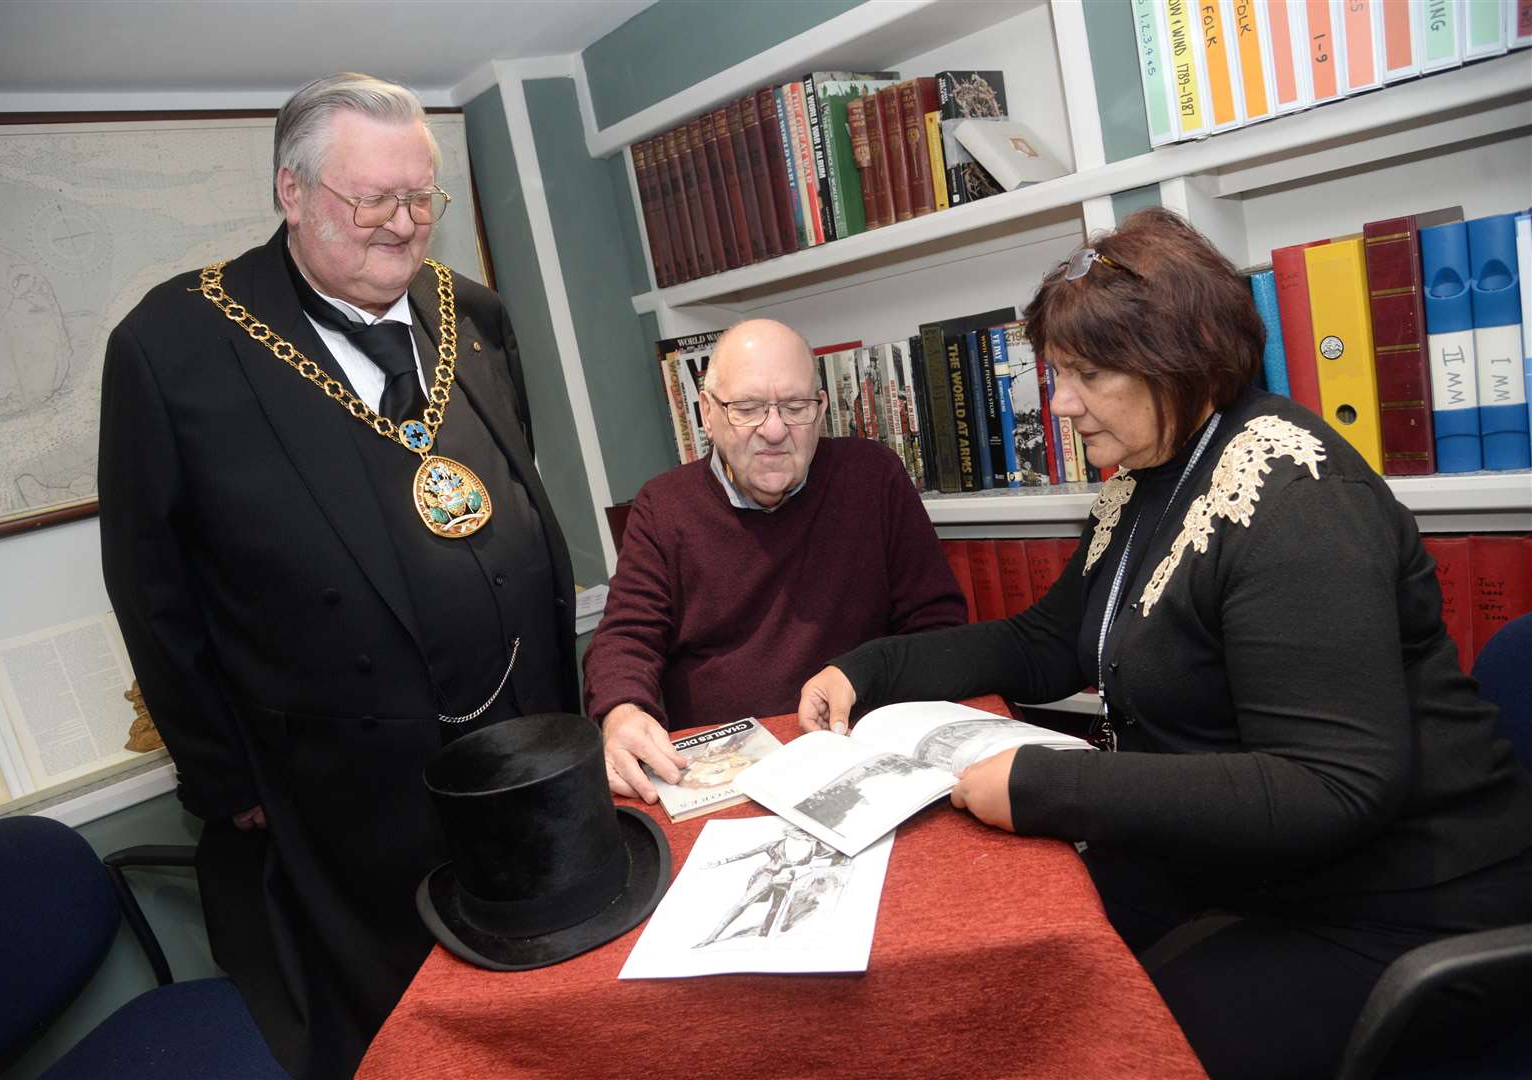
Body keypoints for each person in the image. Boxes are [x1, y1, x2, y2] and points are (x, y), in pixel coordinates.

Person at [797, 209, 1532, 1080]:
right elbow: (1046, 643)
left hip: (1403, 901)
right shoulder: (1154, 476)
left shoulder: (1295, 499)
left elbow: (1334, 787)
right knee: (998, 982)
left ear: (1176, 364)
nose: (1060, 403)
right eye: (1058, 373)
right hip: (1253, 869)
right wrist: (868, 667)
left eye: (1087, 374)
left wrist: (1046, 785)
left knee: (1090, 1046)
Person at [99, 73, 577, 1079]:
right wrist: (227, 778)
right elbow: (153, 591)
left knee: (556, 1006)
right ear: (293, 191)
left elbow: (512, 483)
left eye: (422, 201)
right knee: (418, 1034)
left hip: (525, 749)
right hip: (347, 794)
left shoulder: (472, 312)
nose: (405, 229)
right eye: (375, 201)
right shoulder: (171, 349)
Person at [584, 319, 965, 802]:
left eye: (795, 406)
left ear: (821, 409)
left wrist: (872, 684)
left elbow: (938, 627)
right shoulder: (663, 507)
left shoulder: (873, 477)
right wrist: (621, 710)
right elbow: (625, 637)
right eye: (747, 408)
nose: (774, 429)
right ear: (707, 413)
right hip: (725, 776)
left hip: (860, 753)